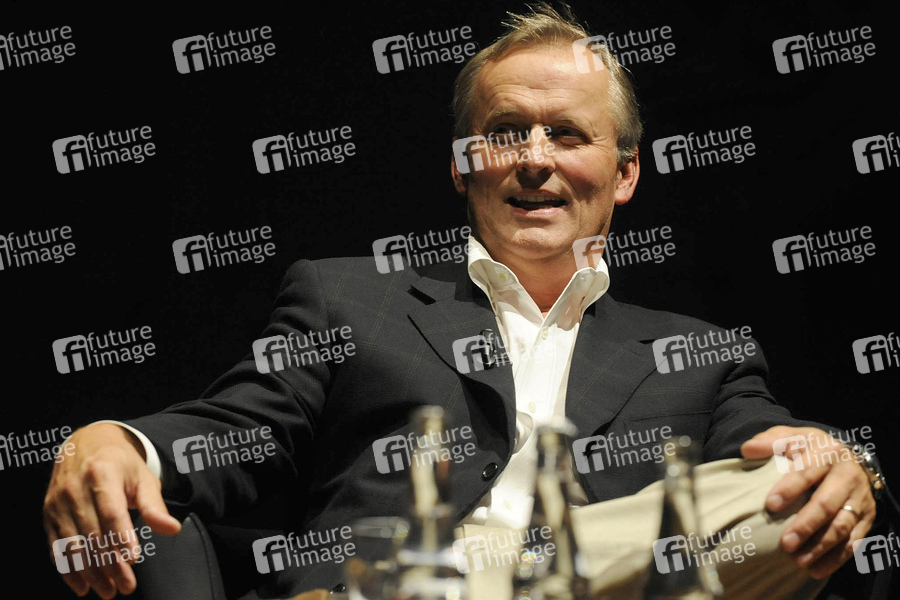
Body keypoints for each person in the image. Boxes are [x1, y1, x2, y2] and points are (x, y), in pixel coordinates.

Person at [42, 4, 878, 599]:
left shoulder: (704, 357)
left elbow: (781, 462)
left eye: (567, 134)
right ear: (461, 164)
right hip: (388, 575)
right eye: (506, 131)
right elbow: (237, 430)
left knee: (799, 488)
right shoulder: (348, 299)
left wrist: (840, 465)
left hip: (607, 579)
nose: (534, 158)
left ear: (625, 172)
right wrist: (116, 441)